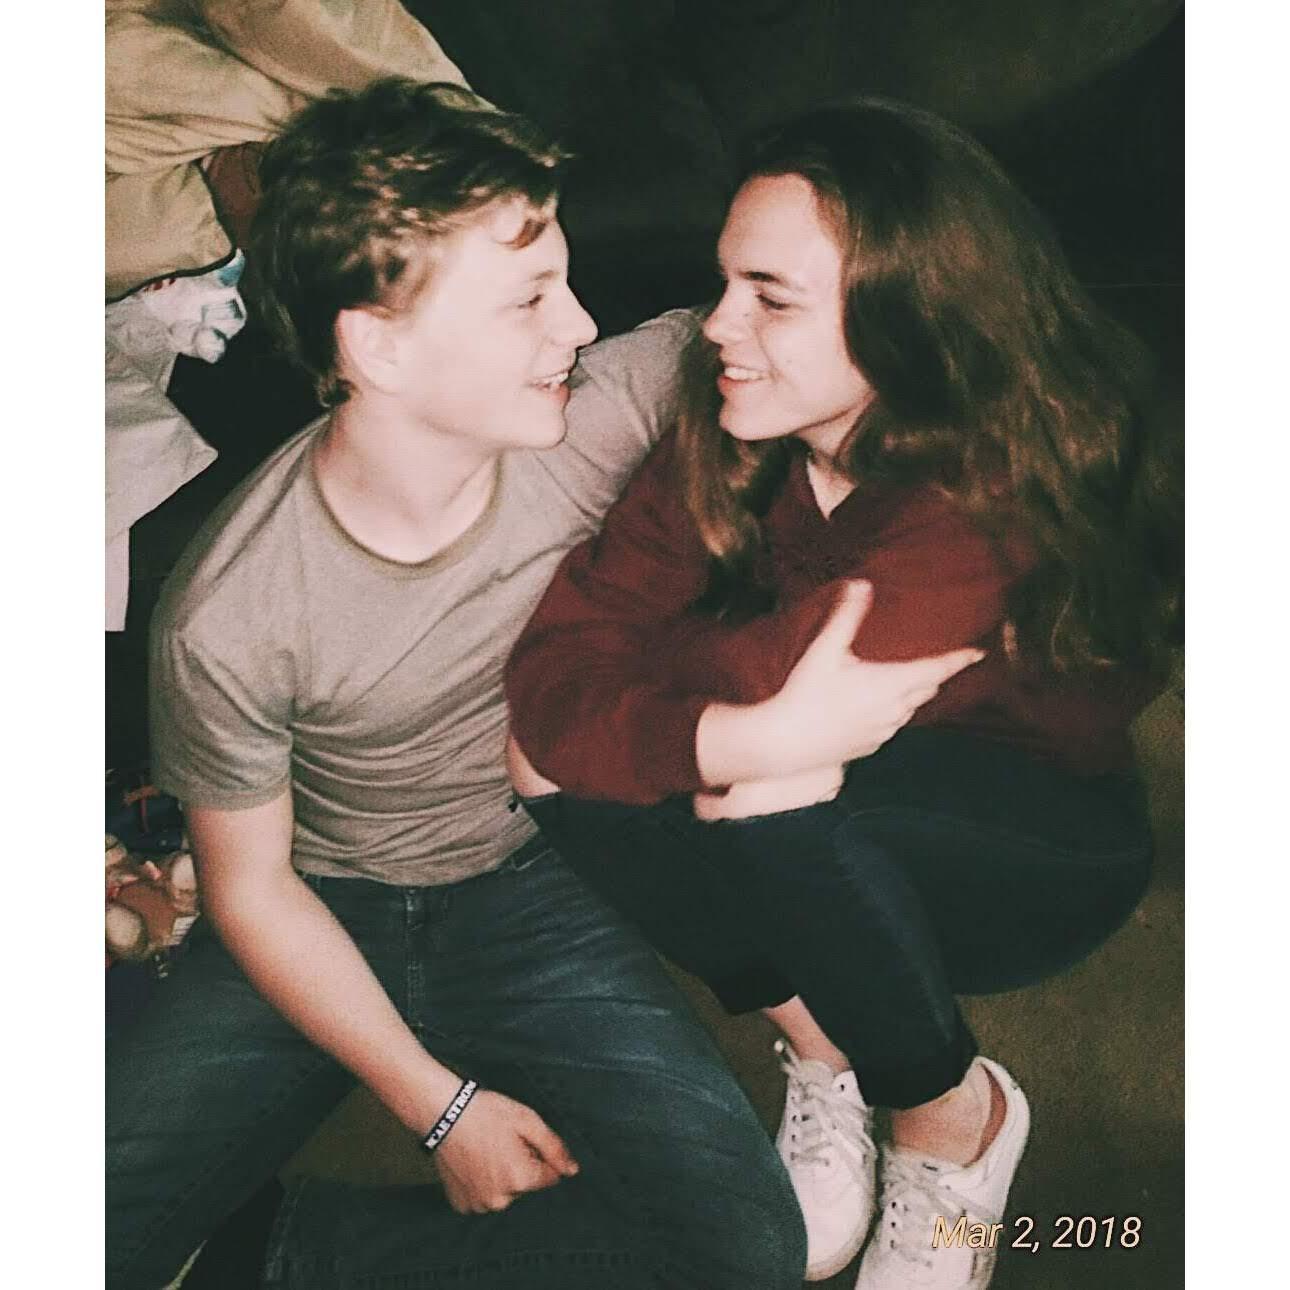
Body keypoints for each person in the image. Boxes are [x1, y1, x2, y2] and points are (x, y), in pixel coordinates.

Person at [105, 79, 975, 1290]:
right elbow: (252, 894)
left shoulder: (606, 404)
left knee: (750, 1250)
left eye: (563, 282)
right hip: (327, 906)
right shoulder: (226, 612)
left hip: (539, 883)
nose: (577, 322)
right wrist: (438, 1107)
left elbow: (834, 327)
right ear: (378, 344)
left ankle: (285, 1251)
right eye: (528, 299)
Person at [505, 96, 1179, 1290]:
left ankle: (951, 1117)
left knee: (760, 779)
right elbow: (554, 673)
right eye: (726, 282)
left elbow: (749, 679)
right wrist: (712, 711)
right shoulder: (735, 427)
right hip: (814, 847)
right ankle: (827, 1051)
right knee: (549, 758)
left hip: (1030, 851)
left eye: (770, 297)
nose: (718, 325)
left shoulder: (988, 482)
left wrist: (685, 690)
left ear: (908, 311)